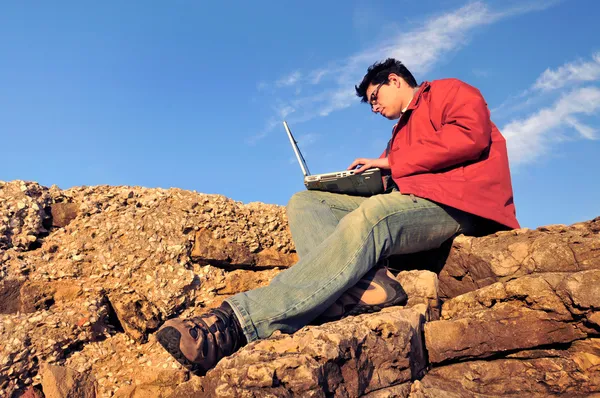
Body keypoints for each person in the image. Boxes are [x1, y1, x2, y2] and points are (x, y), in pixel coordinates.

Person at [156, 58, 520, 375]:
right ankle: (369, 290)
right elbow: (392, 182)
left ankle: (236, 323)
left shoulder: (447, 92)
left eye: (375, 97)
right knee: (306, 202)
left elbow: (471, 137)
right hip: (407, 206)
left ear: (394, 80)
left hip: (457, 206)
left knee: (377, 214)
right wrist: (347, 184)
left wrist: (390, 162)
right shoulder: (398, 134)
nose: (374, 108)